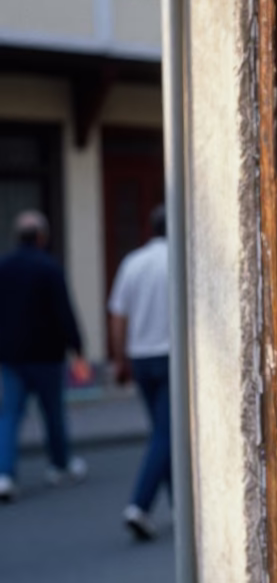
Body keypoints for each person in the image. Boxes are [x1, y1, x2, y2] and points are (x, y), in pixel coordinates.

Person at [0, 211, 90, 501]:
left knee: (10, 414)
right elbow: (64, 311)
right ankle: (59, 465)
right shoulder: (49, 268)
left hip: (12, 355)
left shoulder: (4, 267)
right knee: (52, 413)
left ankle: (5, 475)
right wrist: (77, 348)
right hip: (47, 355)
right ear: (42, 237)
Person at [108, 205, 171, 540]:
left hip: (141, 357)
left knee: (164, 431)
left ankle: (180, 504)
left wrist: (120, 360)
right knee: (167, 432)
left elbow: (118, 317)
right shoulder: (178, 259)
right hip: (170, 355)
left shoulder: (132, 262)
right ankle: (139, 505)